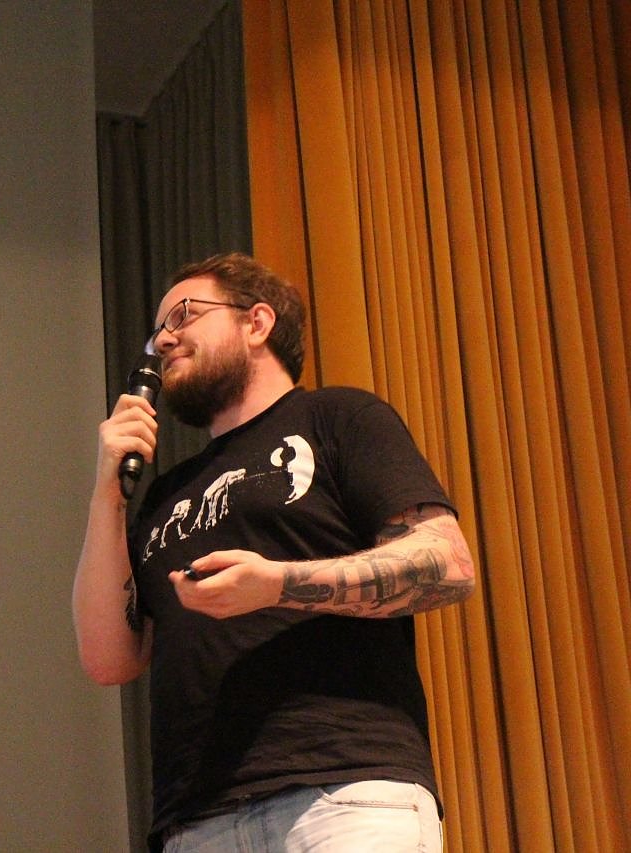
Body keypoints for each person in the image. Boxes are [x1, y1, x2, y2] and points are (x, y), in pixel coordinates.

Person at [73, 253, 475, 851]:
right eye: (158, 331)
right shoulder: (163, 494)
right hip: (195, 820)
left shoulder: (338, 417)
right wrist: (107, 491)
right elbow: (109, 660)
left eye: (183, 315)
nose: (164, 340)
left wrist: (277, 584)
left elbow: (446, 566)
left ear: (256, 323)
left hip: (344, 791)